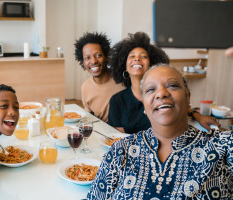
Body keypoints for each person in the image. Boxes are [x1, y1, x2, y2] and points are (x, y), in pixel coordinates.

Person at [87, 64, 233, 199]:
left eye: (173, 86)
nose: (161, 93)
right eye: (151, 90)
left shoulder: (223, 145)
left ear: (188, 97)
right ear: (144, 104)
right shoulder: (120, 150)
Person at [108, 32, 220, 133]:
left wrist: (198, 116)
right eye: (132, 56)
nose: (137, 59)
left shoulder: (162, 95)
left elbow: (177, 105)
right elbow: (116, 136)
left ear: (152, 65)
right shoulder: (117, 101)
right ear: (124, 65)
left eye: (143, 56)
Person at [74, 32, 125, 122]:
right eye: (87, 58)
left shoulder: (122, 80)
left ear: (106, 57)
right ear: (83, 62)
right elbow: (89, 119)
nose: (93, 61)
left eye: (98, 55)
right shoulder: (85, 87)